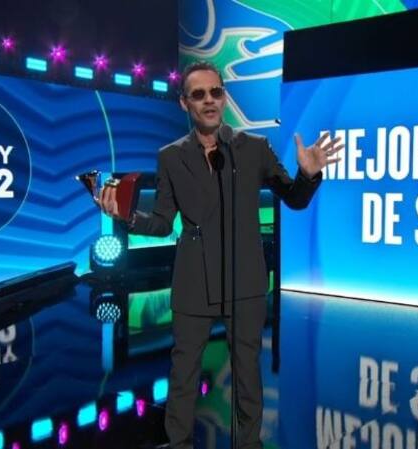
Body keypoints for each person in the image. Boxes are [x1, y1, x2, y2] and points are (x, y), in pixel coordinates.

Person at [96, 61, 342, 449]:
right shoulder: (170, 157)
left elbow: (294, 198)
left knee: (247, 374)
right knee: (183, 374)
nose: (209, 100)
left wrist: (308, 174)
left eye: (215, 92)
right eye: (198, 94)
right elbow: (162, 222)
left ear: (224, 98)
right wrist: (125, 217)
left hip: (245, 279)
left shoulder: (255, 148)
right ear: (184, 103)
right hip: (194, 279)